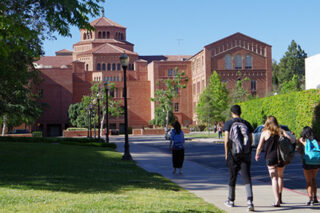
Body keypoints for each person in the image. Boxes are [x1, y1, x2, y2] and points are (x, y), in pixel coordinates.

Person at [255, 116, 294, 207]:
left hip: (270, 157)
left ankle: (277, 200)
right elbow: (291, 140)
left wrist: (257, 154)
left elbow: (260, 146)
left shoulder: (265, 132)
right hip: (281, 157)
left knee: (274, 178)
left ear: (267, 122)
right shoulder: (281, 131)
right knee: (280, 177)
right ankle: (280, 197)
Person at [223, 105, 254, 211]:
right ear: (240, 112)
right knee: (246, 177)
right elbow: (250, 140)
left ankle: (231, 200)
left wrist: (226, 153)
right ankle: (250, 201)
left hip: (233, 154)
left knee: (232, 176)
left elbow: (227, 140)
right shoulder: (247, 123)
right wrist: (248, 151)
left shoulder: (228, 123)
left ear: (232, 113)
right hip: (245, 155)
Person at [298, 126, 319, 205]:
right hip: (316, 162)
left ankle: (310, 199)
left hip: (306, 163)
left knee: (309, 182)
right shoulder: (315, 140)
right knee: (313, 179)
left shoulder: (302, 140)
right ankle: (315, 198)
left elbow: (299, 151)